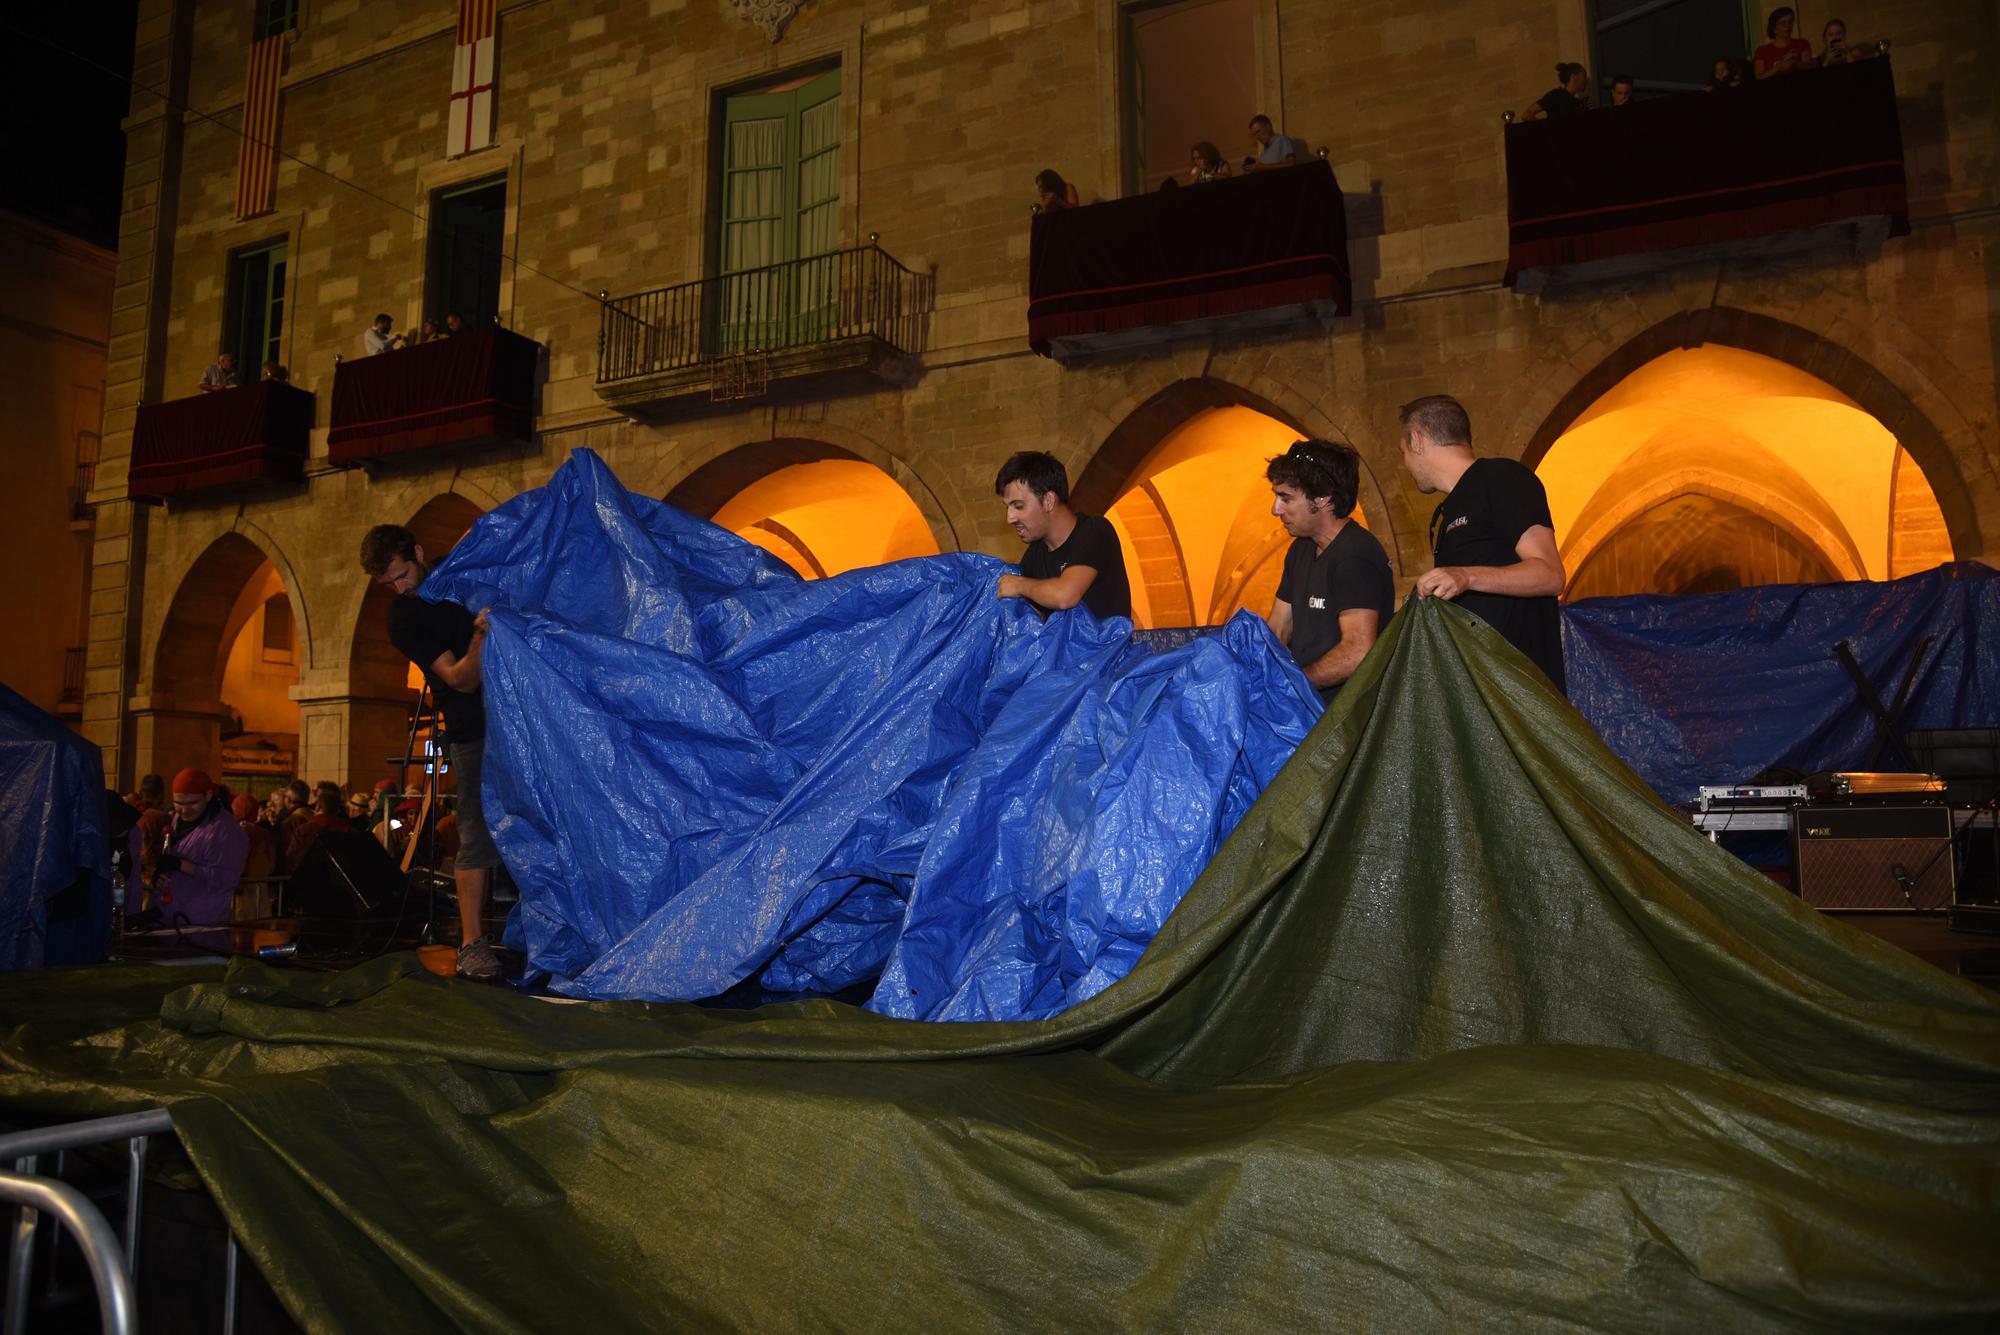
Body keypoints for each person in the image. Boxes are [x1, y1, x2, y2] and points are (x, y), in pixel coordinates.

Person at [359, 524, 504, 982]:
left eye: (403, 575)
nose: (400, 588)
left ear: (420, 553)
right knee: (475, 834)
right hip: (472, 732)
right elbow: (461, 678)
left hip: (519, 720)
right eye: (389, 584)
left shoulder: (458, 577)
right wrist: (481, 633)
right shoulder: (404, 618)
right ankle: (472, 944)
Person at [1398, 394, 1568, 697]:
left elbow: (1550, 575)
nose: (1405, 464)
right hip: (1479, 695)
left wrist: (1466, 576)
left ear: (1417, 440)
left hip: (1520, 697)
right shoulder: (1449, 510)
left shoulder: (1502, 478)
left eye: (1404, 452)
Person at [1263, 440, 1395, 703]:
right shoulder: (1300, 550)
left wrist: (1291, 687)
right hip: (1307, 711)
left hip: (1346, 721)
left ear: (1323, 498)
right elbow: (1278, 628)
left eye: (1286, 498)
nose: (1275, 509)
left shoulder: (1356, 555)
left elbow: (1357, 653)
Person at [993, 451, 1132, 621]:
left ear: (1048, 501)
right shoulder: (1034, 555)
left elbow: (1065, 595)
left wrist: (1018, 584)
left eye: (1018, 506)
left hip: (1106, 647)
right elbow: (1032, 617)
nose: (1010, 518)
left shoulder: (1094, 531)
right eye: (1007, 507)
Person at [132, 768, 248, 934]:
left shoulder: (225, 830)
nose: (184, 810)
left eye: (192, 803)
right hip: (171, 917)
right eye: (178, 803)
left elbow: (225, 879)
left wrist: (181, 865)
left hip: (201, 924)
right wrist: (162, 879)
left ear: (208, 796)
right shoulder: (179, 819)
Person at [1754, 7, 1812, 77]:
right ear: (1774, 28)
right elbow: (1759, 77)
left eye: (1790, 22)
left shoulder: (1802, 43)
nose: (1788, 26)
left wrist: (1794, 63)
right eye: (1783, 23)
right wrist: (1779, 67)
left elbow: (1810, 67)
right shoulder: (1762, 51)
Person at [1521, 63, 1590, 120]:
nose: (1585, 80)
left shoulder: (1576, 102)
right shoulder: (1555, 96)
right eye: (1584, 75)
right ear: (1574, 77)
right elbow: (1527, 114)